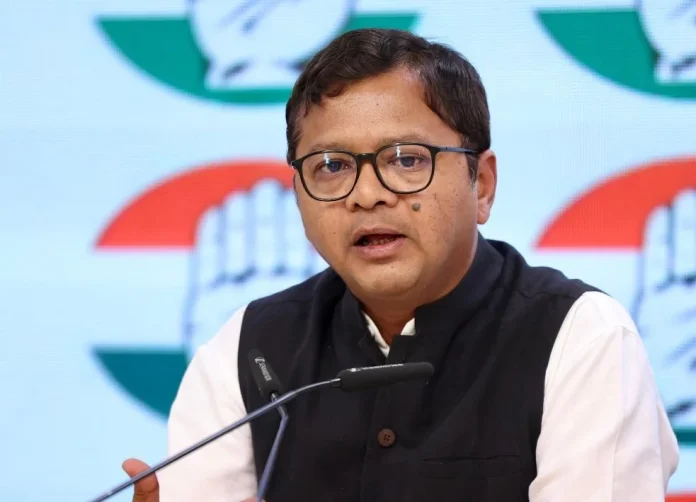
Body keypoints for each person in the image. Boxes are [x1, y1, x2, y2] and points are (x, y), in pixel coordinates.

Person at [121, 28, 679, 501]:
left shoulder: (578, 337)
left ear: (482, 185)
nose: (367, 194)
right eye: (332, 166)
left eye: (407, 159)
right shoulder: (251, 348)